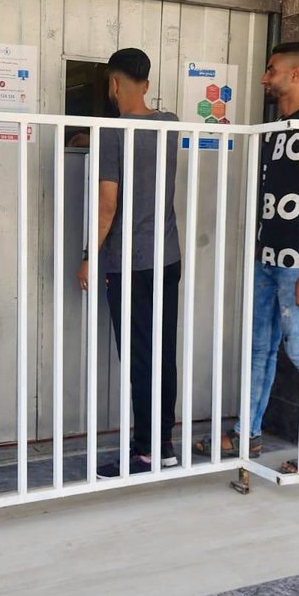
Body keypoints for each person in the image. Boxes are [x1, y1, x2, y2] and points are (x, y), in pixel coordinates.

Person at [202, 42, 299, 472]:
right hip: (267, 258)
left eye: (272, 70)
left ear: (297, 74)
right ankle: (247, 433)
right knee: (260, 347)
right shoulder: (276, 127)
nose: (265, 78)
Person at [76, 48, 181, 477]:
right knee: (162, 355)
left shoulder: (112, 133)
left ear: (113, 85)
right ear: (148, 84)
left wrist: (89, 257)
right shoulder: (169, 125)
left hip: (130, 263)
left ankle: (146, 453)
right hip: (166, 258)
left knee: (140, 359)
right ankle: (164, 445)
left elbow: (107, 204)